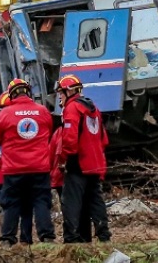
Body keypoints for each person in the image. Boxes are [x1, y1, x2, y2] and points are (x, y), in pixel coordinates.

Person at [0, 78, 55, 246]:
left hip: (14, 169)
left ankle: (7, 239)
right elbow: (49, 132)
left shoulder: (5, 113)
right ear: (28, 92)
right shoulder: (42, 111)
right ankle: (47, 236)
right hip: (39, 167)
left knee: (12, 203)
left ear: (11, 95)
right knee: (41, 201)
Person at [54, 74, 110, 243]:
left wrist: (63, 160)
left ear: (69, 91)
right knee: (95, 201)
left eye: (61, 94)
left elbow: (69, 140)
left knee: (71, 202)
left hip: (78, 163)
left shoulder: (72, 109)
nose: (60, 98)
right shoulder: (94, 109)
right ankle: (104, 236)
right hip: (95, 163)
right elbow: (104, 139)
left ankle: (71, 239)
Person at [0, 91, 32, 241]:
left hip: (5, 176)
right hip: (21, 173)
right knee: (26, 208)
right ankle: (25, 239)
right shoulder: (21, 130)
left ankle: (9, 237)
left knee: (10, 209)